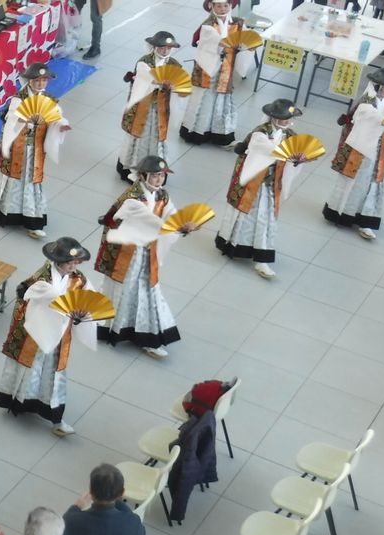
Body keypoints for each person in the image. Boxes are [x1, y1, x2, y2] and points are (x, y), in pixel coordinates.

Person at [0, 237, 91, 437]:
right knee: (29, 368)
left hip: (59, 335)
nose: (73, 267)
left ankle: (55, 416)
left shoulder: (78, 279)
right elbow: (24, 294)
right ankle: (18, 402)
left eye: (75, 263)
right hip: (35, 334)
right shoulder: (42, 278)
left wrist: (82, 315)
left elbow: (86, 300)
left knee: (54, 372)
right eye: (69, 263)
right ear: (57, 261)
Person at [95, 155, 182, 359]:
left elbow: (171, 215)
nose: (159, 180)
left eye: (161, 175)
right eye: (155, 175)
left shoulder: (162, 196)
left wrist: (180, 224)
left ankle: (147, 335)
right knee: (125, 288)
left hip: (147, 250)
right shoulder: (133, 198)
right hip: (128, 252)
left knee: (147, 289)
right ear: (143, 176)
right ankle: (117, 328)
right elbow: (148, 221)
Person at [217, 98, 302, 280]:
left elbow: (294, 153)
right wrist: (289, 154)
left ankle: (262, 257)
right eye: (283, 118)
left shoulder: (291, 136)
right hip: (253, 181)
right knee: (246, 214)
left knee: (266, 217)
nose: (286, 121)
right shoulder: (260, 133)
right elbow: (270, 150)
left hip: (271, 184)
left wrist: (298, 159)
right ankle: (234, 244)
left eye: (288, 118)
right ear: (273, 117)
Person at [323, 69, 384, 240]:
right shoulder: (366, 101)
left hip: (379, 150)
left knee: (373, 183)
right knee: (354, 181)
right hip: (361, 148)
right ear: (377, 85)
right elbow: (365, 114)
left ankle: (366, 221)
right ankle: (340, 213)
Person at [0, 63, 72, 240]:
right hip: (18, 146)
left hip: (36, 147)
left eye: (44, 80)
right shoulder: (18, 99)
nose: (41, 84)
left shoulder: (49, 100)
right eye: (37, 80)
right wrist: (25, 120)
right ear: (29, 81)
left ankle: (33, 220)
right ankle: (8, 213)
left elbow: (56, 117)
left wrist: (61, 125)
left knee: (32, 181)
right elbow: (11, 120)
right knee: (15, 179)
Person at [117, 31, 184, 182]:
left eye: (168, 48)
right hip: (143, 106)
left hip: (161, 108)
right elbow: (146, 76)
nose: (165, 51)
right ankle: (134, 167)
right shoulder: (144, 62)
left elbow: (180, 83)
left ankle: (154, 170)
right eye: (162, 47)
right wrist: (161, 82)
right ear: (154, 47)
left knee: (156, 137)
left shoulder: (174, 64)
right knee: (140, 136)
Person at [180, 0, 247, 147]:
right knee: (204, 99)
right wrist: (223, 44)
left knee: (222, 100)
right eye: (218, 5)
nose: (222, 9)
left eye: (226, 5)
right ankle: (197, 132)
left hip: (226, 68)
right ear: (212, 6)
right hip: (207, 67)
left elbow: (245, 41)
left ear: (231, 6)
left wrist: (246, 47)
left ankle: (221, 134)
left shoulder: (239, 23)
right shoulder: (208, 24)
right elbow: (204, 41)